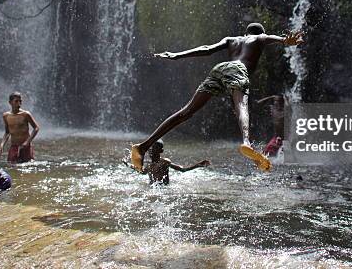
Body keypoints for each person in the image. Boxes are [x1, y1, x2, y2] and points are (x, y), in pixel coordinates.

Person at [131, 23, 304, 172]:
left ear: (245, 33)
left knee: (187, 111)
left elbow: (206, 49)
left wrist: (177, 55)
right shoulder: (259, 38)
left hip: (219, 69)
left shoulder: (231, 40)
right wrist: (285, 41)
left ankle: (142, 147)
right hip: (238, 70)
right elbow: (272, 38)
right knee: (241, 107)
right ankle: (246, 143)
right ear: (259, 33)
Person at [124, 140, 210, 185]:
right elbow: (142, 172)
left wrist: (198, 165)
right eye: (150, 149)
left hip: (164, 189)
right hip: (153, 189)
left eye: (154, 149)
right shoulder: (149, 165)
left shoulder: (164, 162)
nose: (151, 150)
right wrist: (129, 165)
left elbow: (182, 169)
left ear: (161, 151)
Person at [0, 92, 40, 163]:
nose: (19, 104)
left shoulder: (26, 114)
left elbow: (36, 128)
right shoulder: (6, 116)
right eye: (16, 101)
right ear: (10, 102)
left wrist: (27, 142)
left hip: (25, 146)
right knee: (11, 166)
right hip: (14, 146)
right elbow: (7, 132)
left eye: (20, 101)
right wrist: (2, 144)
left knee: (27, 166)